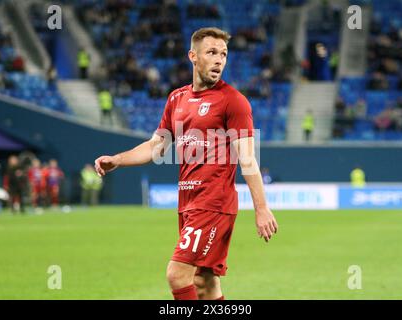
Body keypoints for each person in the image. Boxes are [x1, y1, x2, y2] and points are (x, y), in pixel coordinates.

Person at [94, 27, 278, 300]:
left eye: (224, 54)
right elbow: (156, 146)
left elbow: (248, 159)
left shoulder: (234, 102)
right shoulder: (177, 99)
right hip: (188, 202)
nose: (219, 60)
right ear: (193, 56)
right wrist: (118, 160)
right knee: (204, 284)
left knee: (177, 274)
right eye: (212, 53)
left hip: (213, 203)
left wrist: (261, 208)